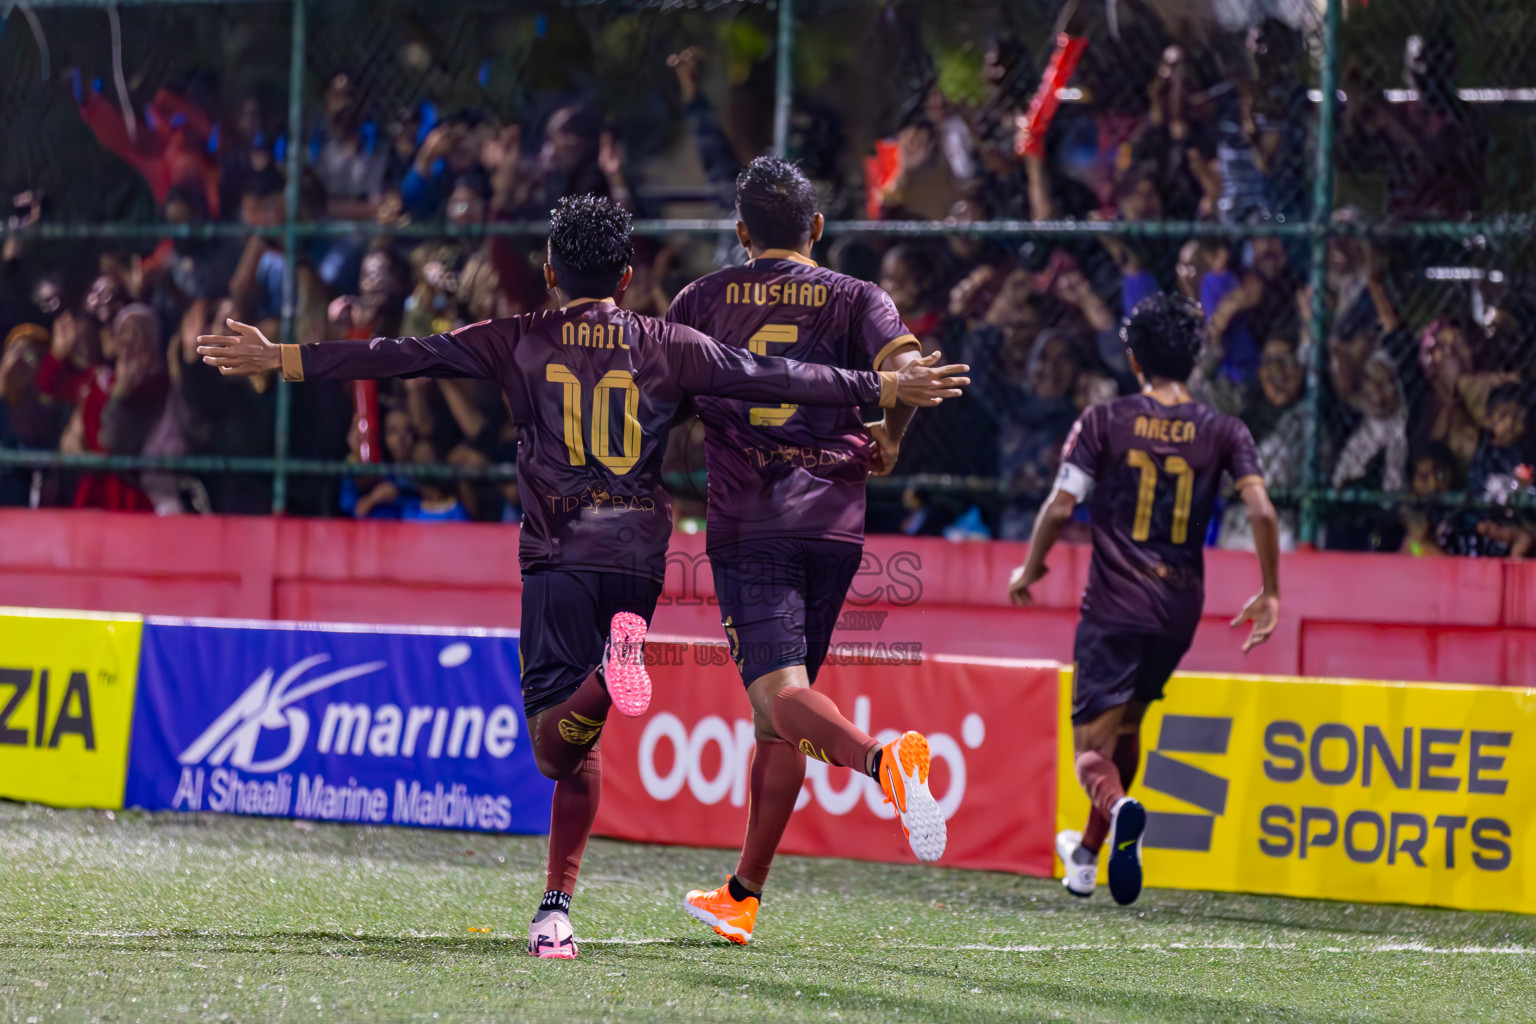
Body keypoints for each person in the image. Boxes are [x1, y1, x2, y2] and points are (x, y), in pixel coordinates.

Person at [196, 194, 968, 960]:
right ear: (628, 275)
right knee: (602, 740)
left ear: (547, 272)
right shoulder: (669, 342)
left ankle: (608, 681)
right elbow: (774, 374)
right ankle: (556, 910)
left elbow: (404, 353)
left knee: (554, 750)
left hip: (561, 555)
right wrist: (882, 391)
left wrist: (284, 358)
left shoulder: (516, 338)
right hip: (640, 560)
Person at [665, 156, 954, 946]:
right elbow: (904, 370)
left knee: (777, 696)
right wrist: (890, 436)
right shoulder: (859, 295)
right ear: (817, 229)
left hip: (751, 522)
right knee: (780, 719)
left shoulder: (702, 298)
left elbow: (666, 397)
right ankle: (742, 893)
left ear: (741, 232)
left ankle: (881, 762)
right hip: (835, 526)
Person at [1006, 294, 1280, 906]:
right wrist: (1271, 589)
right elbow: (1261, 508)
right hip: (1179, 607)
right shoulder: (1225, 429)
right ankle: (1085, 854)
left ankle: (1119, 806)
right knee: (1129, 723)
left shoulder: (1105, 419)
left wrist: (1031, 564)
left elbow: (1061, 503)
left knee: (1088, 753)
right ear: (1194, 358)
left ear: (1133, 359)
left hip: (1114, 604)